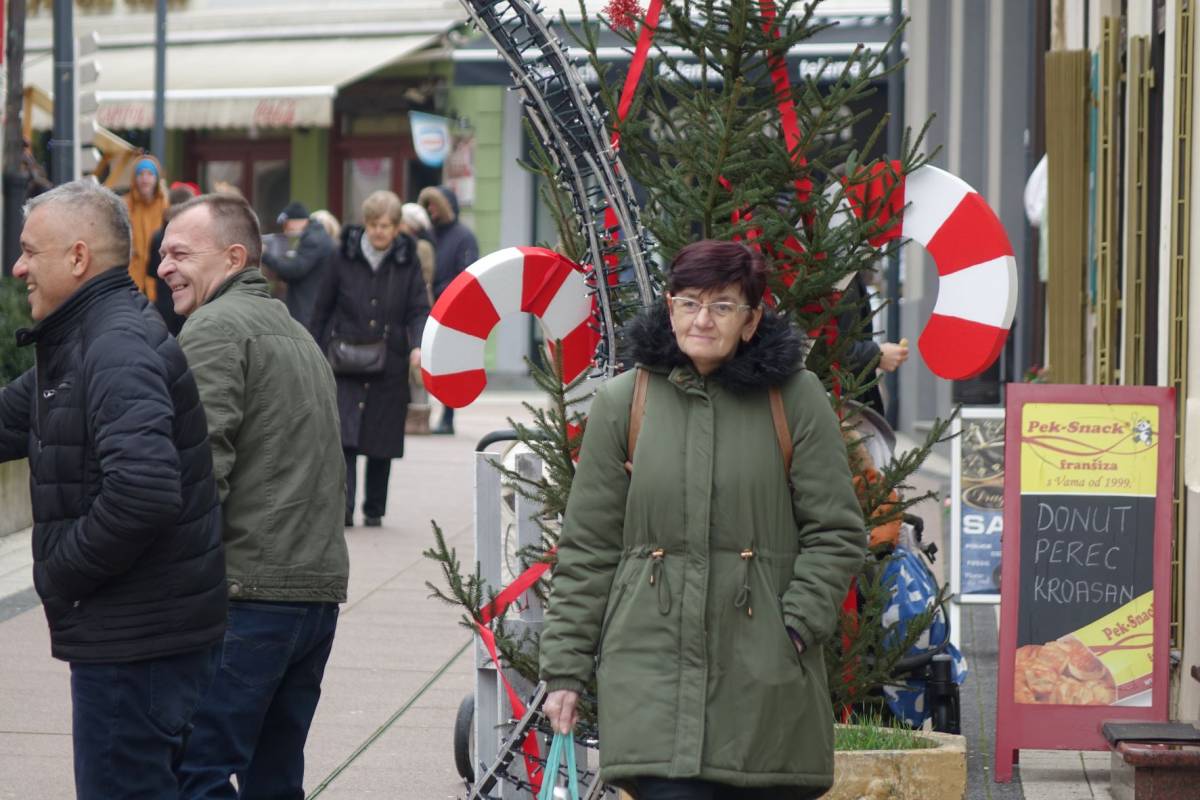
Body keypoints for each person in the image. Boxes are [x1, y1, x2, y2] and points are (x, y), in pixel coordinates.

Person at [538, 240, 867, 799]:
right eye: (689, 302)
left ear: (751, 319)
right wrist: (566, 670)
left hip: (763, 686)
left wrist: (791, 627)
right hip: (650, 677)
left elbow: (836, 532)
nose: (703, 319)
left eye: (722, 305)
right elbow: (588, 548)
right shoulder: (624, 402)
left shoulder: (794, 398)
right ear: (670, 309)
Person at [0, 180, 226, 798]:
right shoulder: (85, 339)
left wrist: (59, 572)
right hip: (141, 635)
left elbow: (144, 492)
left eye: (29, 251)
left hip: (136, 644)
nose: (17, 267)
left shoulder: (114, 345)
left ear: (78, 258)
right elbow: (9, 419)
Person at [158, 193, 349, 799]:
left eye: (180, 253)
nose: (163, 267)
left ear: (234, 257)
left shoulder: (214, 327)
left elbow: (197, 473)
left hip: (250, 594)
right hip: (310, 594)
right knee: (275, 775)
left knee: (197, 771)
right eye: (162, 253)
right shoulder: (295, 332)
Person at [310, 190, 429, 528]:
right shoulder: (342, 255)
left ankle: (374, 510)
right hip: (344, 358)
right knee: (344, 437)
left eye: (386, 226)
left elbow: (419, 308)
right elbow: (322, 307)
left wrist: (418, 345)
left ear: (397, 227)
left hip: (390, 361)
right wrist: (313, 348)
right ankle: (344, 509)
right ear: (365, 224)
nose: (379, 232)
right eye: (374, 224)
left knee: (382, 438)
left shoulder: (407, 259)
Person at [418, 185, 478, 435]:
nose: (431, 210)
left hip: (452, 309)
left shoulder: (464, 237)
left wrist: (442, 290)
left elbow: (467, 274)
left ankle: (448, 415)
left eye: (435, 205)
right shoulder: (429, 234)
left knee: (448, 362)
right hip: (428, 306)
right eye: (428, 205)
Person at [836, 269, 908, 416]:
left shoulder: (850, 275)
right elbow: (827, 348)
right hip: (837, 407)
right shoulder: (841, 274)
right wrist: (876, 355)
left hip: (846, 404)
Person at [261, 200, 335, 328]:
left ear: (298, 221)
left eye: (287, 224)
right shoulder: (315, 235)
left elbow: (295, 270)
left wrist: (265, 255)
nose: (285, 229)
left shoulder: (313, 239)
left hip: (309, 310)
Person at [146, 183, 200, 336]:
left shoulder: (158, 235)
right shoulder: (197, 236)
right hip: (191, 301)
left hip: (165, 302)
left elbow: (151, 271)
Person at [123, 154, 169, 300]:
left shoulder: (165, 205)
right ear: (134, 178)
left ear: (156, 178)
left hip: (158, 276)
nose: (145, 178)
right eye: (140, 174)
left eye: (150, 174)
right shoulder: (124, 205)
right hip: (131, 275)